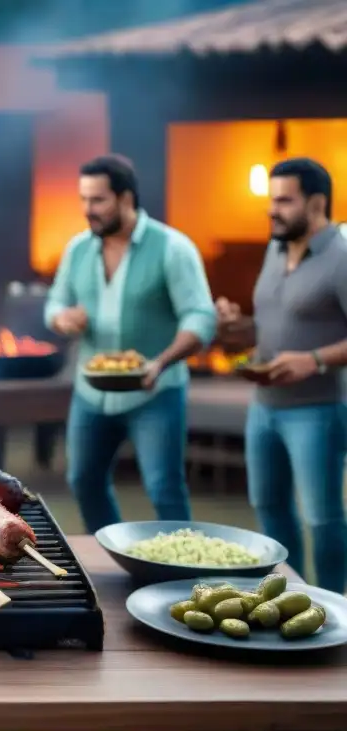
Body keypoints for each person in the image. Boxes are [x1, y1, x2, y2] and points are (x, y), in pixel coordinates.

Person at [44, 155, 216, 534]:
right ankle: (114, 556)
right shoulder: (77, 250)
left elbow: (201, 317)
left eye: (98, 200)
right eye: (84, 200)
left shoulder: (173, 248)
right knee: (84, 482)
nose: (88, 210)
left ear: (126, 198)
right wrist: (62, 318)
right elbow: (54, 304)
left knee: (164, 488)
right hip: (91, 393)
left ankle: (182, 578)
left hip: (155, 391)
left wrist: (161, 362)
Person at [215, 158, 347, 593]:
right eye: (271, 200)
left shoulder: (340, 255)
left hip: (317, 410)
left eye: (284, 201)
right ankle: (290, 595)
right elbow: (272, 323)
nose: (272, 210)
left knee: (322, 518)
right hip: (264, 407)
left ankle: (333, 606)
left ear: (316, 203)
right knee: (269, 507)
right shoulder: (274, 249)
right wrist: (239, 329)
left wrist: (315, 359)